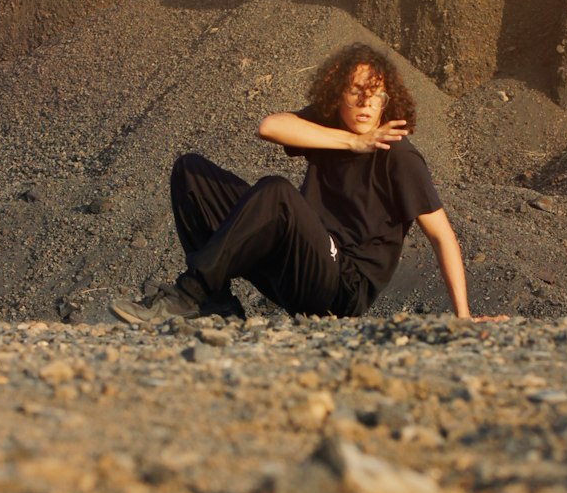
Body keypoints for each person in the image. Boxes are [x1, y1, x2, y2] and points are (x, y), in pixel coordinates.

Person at [110, 42, 473, 324]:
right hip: (295, 268)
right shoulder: (330, 129)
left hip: (341, 289)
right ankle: (217, 303)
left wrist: (464, 316)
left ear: (387, 101)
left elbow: (442, 235)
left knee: (277, 193)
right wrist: (350, 141)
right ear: (336, 95)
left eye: (376, 94)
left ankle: (190, 294)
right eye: (355, 91)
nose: (365, 103)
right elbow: (269, 127)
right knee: (191, 172)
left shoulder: (399, 156)